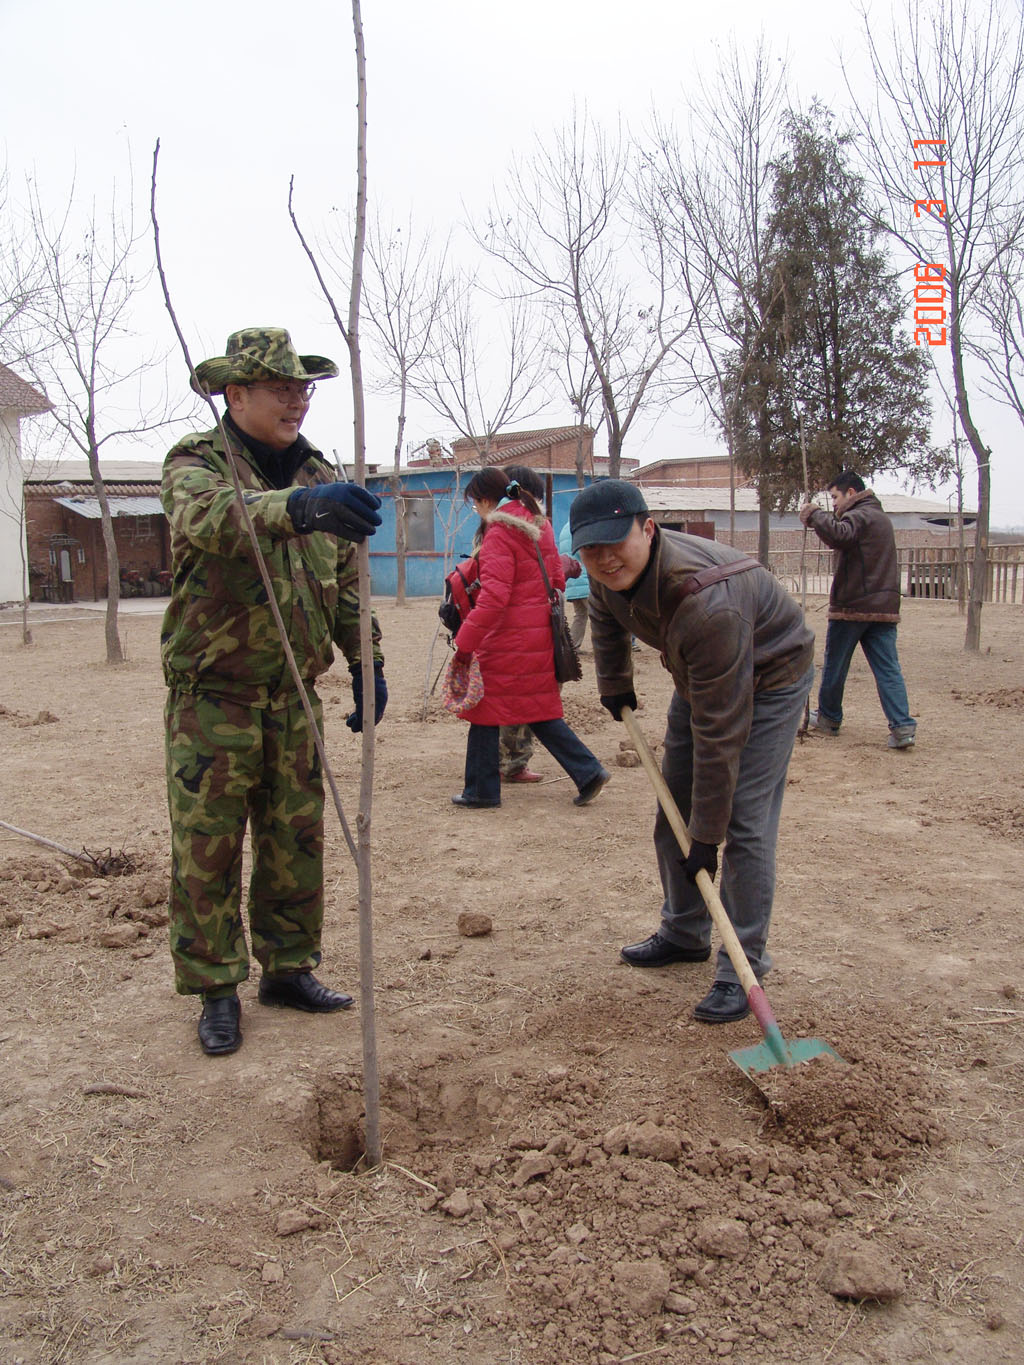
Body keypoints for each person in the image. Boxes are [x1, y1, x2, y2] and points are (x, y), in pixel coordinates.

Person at [161, 327, 386, 1058]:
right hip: (214, 696)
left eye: (304, 388)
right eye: (281, 388)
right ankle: (216, 986)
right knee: (210, 846)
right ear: (237, 394)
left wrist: (366, 659)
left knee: (296, 838)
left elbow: (346, 578)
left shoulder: (321, 469)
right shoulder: (196, 462)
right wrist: (301, 508)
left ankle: (289, 967)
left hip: (293, 694)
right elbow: (214, 520)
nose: (298, 401)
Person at [570, 480, 814, 1024]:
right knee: (672, 808)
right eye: (591, 549)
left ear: (648, 529)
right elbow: (607, 617)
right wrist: (615, 683)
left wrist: (708, 836)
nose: (604, 559)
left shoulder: (708, 605)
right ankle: (684, 932)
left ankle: (740, 963)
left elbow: (720, 735)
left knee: (744, 823)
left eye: (616, 543)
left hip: (771, 674)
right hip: (701, 673)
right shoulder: (607, 573)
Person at [451, 467, 610, 809]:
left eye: (475, 503)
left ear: (484, 500)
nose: (476, 510)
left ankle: (481, 791)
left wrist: (464, 643)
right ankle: (588, 771)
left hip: (505, 640)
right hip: (538, 635)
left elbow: (493, 599)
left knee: (483, 711)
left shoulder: (498, 533)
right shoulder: (540, 524)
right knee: (538, 710)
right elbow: (556, 580)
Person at [799, 470, 916, 749]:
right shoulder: (881, 518)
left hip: (853, 607)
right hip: (884, 609)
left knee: (835, 667)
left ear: (851, 493)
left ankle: (828, 718)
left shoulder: (860, 515)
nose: (834, 504)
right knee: (888, 669)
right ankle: (903, 728)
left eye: (835, 497)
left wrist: (814, 515)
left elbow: (841, 535)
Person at [558, 516, 590, 649]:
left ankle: (572, 646)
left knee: (580, 614)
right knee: (599, 615)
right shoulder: (581, 526)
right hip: (584, 578)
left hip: (572, 581)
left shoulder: (565, 528)